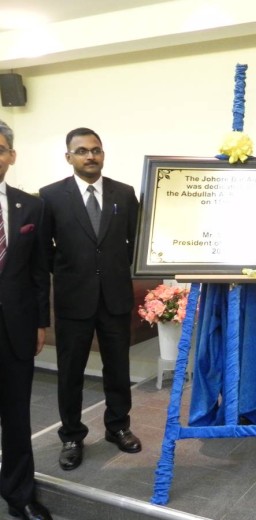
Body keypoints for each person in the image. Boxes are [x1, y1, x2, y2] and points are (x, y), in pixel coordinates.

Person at [39, 128, 141, 471]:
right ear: (69, 157)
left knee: (118, 368)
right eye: (82, 151)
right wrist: (71, 272)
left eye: (95, 150)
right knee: (70, 373)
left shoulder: (124, 193)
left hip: (115, 298)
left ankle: (118, 427)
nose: (90, 156)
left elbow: (136, 242)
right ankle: (71, 436)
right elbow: (44, 250)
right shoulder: (51, 196)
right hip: (73, 299)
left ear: (103, 154)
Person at [0, 121, 53, 520]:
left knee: (17, 417)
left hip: (15, 329)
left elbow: (38, 272)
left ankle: (20, 495)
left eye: (0, 149)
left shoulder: (29, 206)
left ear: (12, 156)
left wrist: (39, 323)